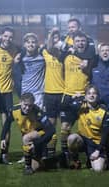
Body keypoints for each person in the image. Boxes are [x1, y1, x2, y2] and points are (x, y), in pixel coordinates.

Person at [59, 31, 96, 168]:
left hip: (83, 97)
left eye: (83, 41)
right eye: (78, 41)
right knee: (64, 128)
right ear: (73, 42)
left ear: (86, 43)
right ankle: (66, 156)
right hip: (68, 96)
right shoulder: (66, 56)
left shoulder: (91, 58)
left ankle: (88, 155)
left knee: (87, 129)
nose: (80, 43)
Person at [0, 93, 55, 175]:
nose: (27, 108)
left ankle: (27, 167)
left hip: (41, 136)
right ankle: (52, 162)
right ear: (20, 102)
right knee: (37, 167)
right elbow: (7, 123)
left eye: (30, 106)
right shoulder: (14, 110)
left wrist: (37, 144)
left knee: (26, 138)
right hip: (31, 137)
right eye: (25, 105)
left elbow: (51, 130)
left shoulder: (37, 111)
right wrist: (3, 138)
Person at [0, 27, 20, 164]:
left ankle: (4, 155)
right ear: (1, 36)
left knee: (6, 124)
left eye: (10, 37)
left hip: (7, 92)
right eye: (5, 36)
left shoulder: (14, 50)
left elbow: (25, 48)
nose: (8, 39)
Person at [67, 85, 109, 172]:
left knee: (98, 169)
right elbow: (64, 106)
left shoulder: (104, 110)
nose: (91, 95)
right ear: (85, 96)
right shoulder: (80, 107)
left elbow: (106, 133)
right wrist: (73, 98)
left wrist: (98, 150)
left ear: (98, 96)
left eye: (94, 93)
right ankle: (76, 161)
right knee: (72, 138)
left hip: (96, 143)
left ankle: (103, 160)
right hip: (83, 140)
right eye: (89, 93)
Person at [91, 43, 109, 169]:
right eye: (103, 51)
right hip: (100, 107)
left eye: (108, 50)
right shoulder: (94, 67)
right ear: (99, 52)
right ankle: (107, 157)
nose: (105, 52)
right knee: (103, 134)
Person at [41, 27, 65, 158]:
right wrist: (52, 34)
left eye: (58, 38)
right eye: (53, 38)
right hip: (49, 93)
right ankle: (51, 152)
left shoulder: (64, 55)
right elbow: (47, 45)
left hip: (62, 93)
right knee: (51, 125)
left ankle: (66, 153)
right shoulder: (45, 52)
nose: (55, 41)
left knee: (64, 126)